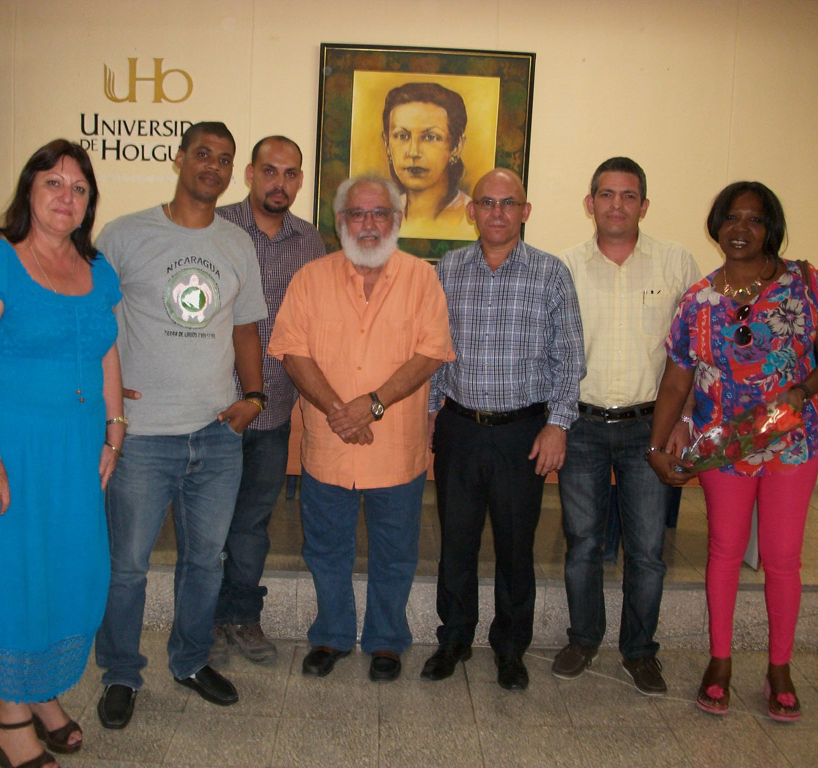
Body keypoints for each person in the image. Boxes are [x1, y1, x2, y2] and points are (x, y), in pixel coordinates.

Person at [0, 139, 123, 768]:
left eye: (79, 188)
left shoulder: (98, 269)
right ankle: (9, 716)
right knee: (12, 572)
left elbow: (104, 348)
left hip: (74, 449)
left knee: (70, 567)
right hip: (9, 443)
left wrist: (115, 424)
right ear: (29, 190)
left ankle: (41, 687)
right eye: (53, 183)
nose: (66, 197)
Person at [647, 181, 818, 721]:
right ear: (716, 226)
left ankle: (779, 667)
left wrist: (802, 391)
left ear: (771, 228)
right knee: (724, 551)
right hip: (723, 445)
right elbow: (675, 381)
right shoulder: (698, 299)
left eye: (754, 220)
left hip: (792, 440)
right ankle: (719, 662)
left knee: (782, 557)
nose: (741, 229)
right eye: (731, 219)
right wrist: (658, 443)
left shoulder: (804, 284)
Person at [94, 122, 267, 728]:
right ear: (179, 159)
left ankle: (191, 660)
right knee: (129, 565)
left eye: (224, 159)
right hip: (141, 434)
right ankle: (120, 672)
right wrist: (107, 396)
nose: (213, 168)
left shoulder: (237, 243)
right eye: (203, 155)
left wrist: (255, 396)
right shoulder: (124, 235)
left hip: (217, 435)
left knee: (205, 562)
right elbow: (94, 324)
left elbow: (246, 328)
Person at [268, 176, 454, 682]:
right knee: (326, 550)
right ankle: (330, 634)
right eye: (357, 214)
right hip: (329, 445)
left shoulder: (422, 279)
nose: (368, 224)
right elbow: (291, 349)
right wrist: (337, 409)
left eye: (380, 214)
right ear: (340, 221)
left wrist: (370, 406)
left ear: (397, 220)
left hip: (395, 447)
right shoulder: (310, 278)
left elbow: (431, 352)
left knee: (394, 554)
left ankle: (387, 641)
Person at [424, 168, 584, 691]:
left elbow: (569, 358)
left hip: (523, 433)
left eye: (507, 203)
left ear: (525, 211)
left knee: (516, 548)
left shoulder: (551, 273)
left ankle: (511, 648)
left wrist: (558, 424)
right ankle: (453, 640)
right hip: (460, 427)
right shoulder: (448, 269)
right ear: (471, 210)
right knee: (457, 543)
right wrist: (430, 414)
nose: (497, 212)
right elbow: (431, 349)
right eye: (487, 202)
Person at [555, 157, 701, 696]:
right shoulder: (564, 267)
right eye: (607, 194)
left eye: (629, 195)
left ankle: (640, 651)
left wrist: (684, 421)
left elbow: (694, 354)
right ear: (590, 202)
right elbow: (553, 353)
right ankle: (583, 638)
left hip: (650, 427)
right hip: (583, 426)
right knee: (583, 544)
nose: (617, 204)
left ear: (644, 204)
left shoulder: (676, 265)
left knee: (646, 551)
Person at [212, 136, 325, 662]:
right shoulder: (216, 227)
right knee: (205, 520)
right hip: (212, 406)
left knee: (254, 522)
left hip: (274, 409)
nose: (280, 183)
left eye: (291, 174)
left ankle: (241, 616)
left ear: (300, 180)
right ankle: (200, 622)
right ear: (250, 174)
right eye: (270, 171)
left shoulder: (311, 242)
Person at [381, 82, 473, 240]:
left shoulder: (473, 219)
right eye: (402, 136)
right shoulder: (378, 219)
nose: (413, 152)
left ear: (456, 146)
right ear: (387, 144)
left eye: (430, 137)